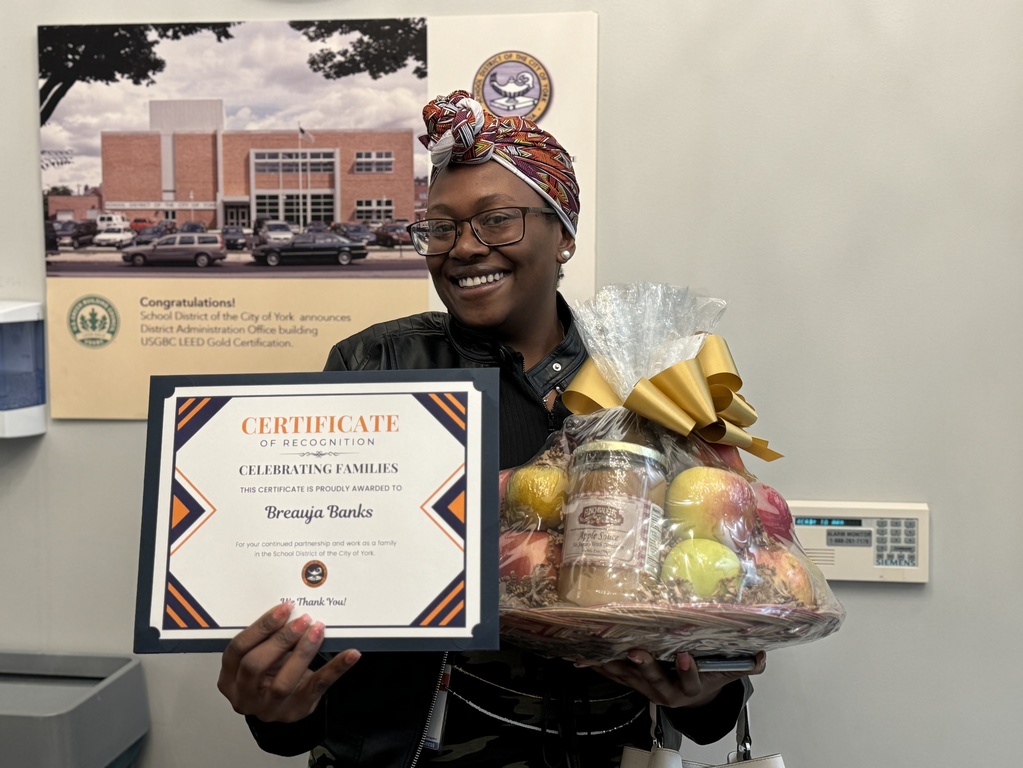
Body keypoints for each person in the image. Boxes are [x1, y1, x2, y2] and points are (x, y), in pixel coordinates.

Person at [218, 90, 765, 767]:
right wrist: (278, 705)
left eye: (496, 220)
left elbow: (716, 580)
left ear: (564, 232)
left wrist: (702, 693)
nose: (463, 248)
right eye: (440, 227)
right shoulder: (377, 367)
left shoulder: (650, 378)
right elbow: (317, 593)